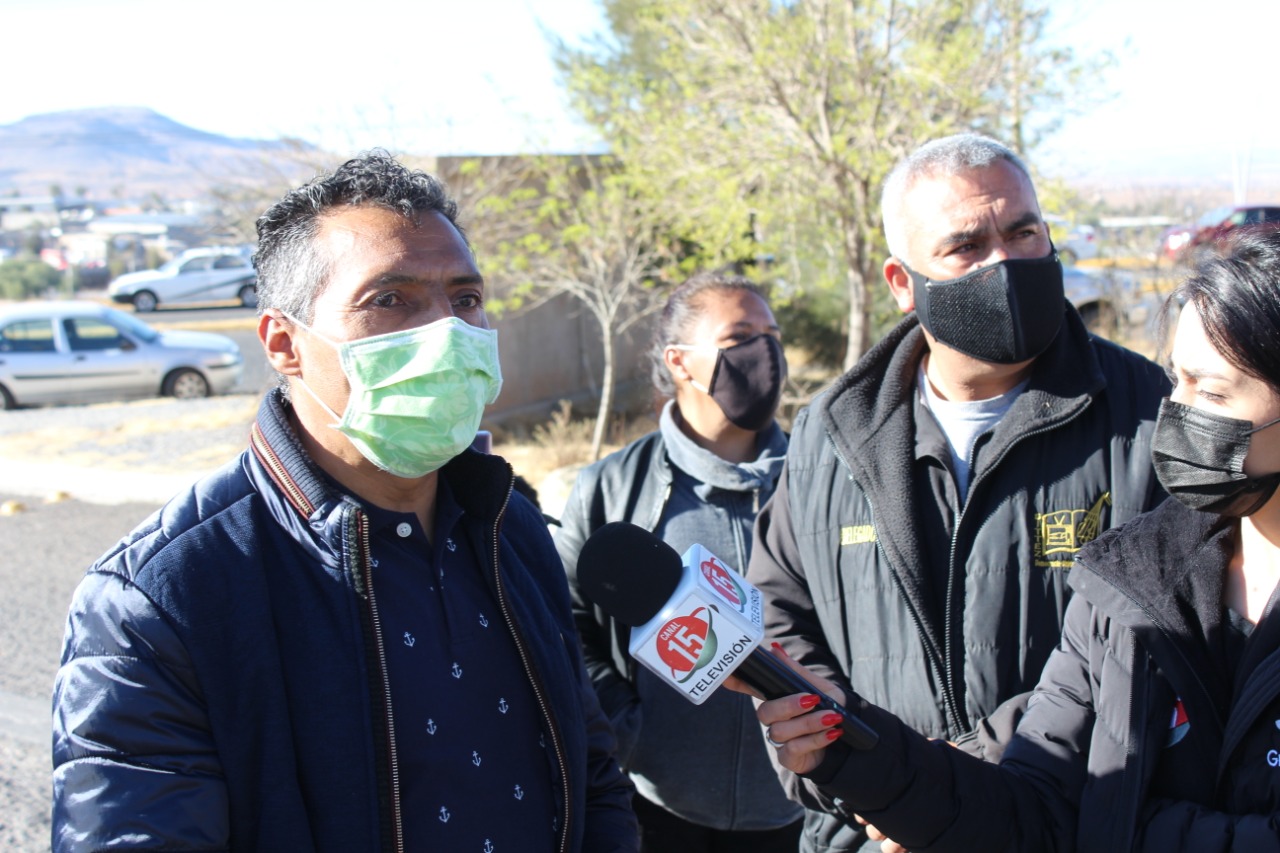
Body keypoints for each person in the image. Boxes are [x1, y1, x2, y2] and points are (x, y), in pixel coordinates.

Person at [51, 152, 639, 853]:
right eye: (390, 299)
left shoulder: (511, 526)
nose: (445, 331)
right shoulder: (160, 601)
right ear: (284, 344)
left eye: (466, 297)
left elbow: (592, 771)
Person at [751, 226, 1280, 851]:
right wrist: (857, 747)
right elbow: (1032, 808)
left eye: (1212, 391)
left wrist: (1116, 823)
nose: (1176, 410)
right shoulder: (1131, 579)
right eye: (1178, 380)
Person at [557, 272, 803, 850]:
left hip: (804, 811)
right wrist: (631, 731)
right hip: (659, 811)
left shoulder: (821, 478)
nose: (766, 351)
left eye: (772, 334)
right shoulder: (611, 489)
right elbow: (568, 625)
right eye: (741, 335)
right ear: (679, 362)